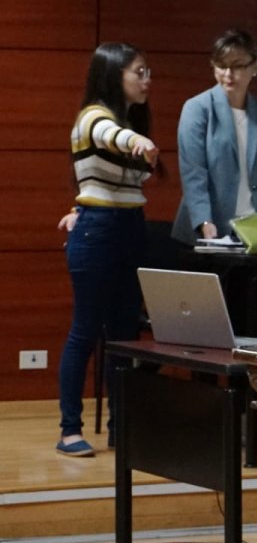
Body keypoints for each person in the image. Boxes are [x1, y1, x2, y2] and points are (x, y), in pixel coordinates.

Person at [55, 43, 160, 457]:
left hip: (130, 229)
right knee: (85, 331)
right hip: (97, 231)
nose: (146, 78)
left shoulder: (129, 118)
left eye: (148, 70)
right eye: (139, 71)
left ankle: (121, 426)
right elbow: (110, 136)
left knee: (123, 335)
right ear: (114, 73)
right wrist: (137, 140)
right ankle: (68, 430)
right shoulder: (94, 116)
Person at [171, 29, 257, 244]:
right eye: (221, 66)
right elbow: (193, 172)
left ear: (255, 66)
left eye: (237, 66)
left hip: (256, 227)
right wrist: (204, 221)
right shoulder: (198, 108)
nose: (228, 74)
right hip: (211, 227)